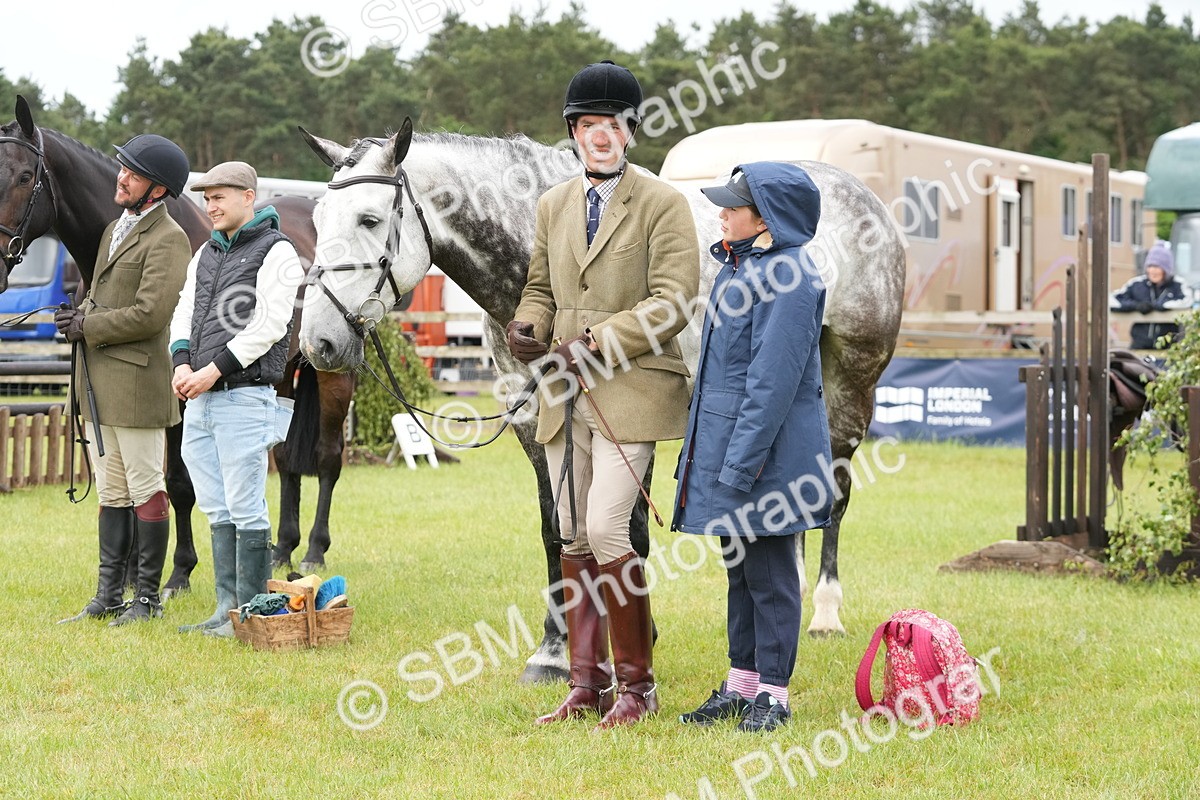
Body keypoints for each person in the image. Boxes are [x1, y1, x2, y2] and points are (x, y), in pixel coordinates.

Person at [505, 60, 699, 729]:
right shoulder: (553, 204)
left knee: (607, 526)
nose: (601, 135)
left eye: (612, 125)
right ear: (574, 132)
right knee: (570, 534)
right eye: (590, 125)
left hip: (632, 390)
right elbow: (540, 288)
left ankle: (637, 687)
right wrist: (524, 327)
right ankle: (585, 685)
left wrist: (593, 343)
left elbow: (673, 302)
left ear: (629, 132)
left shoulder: (663, 204)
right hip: (563, 393)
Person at [672, 162, 834, 733]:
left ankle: (775, 696)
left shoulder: (791, 276)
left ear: (766, 217)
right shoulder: (738, 267)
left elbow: (770, 386)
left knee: (770, 573)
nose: (720, 213)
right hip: (730, 448)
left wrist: (739, 464)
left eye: (731, 205)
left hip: (770, 453)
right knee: (740, 571)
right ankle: (742, 686)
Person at [56, 134, 192, 626]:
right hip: (98, 383)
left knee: (145, 487)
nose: (121, 178)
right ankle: (108, 593)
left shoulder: (169, 239)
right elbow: (100, 295)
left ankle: (148, 599)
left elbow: (151, 315)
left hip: (136, 385)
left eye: (132, 173)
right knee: (112, 491)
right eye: (122, 169)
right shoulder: (115, 227)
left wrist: (88, 326)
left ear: (157, 189)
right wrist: (77, 315)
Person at [169, 161, 302, 638]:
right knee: (215, 505)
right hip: (201, 398)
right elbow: (183, 311)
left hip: (244, 397)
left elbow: (268, 327)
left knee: (246, 506)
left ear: (249, 197)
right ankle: (226, 607)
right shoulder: (205, 252)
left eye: (220, 196)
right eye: (206, 198)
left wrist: (209, 371)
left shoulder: (278, 252)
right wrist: (182, 364)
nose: (211, 205)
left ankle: (247, 610)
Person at [1110, 241, 1190, 350]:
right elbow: (1113, 300)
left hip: (1168, 349)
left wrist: (1159, 306)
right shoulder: (1137, 284)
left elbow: (1187, 300)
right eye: (1150, 266)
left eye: (1158, 267)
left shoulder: (1177, 284)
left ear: (1166, 269)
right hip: (1140, 346)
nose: (1153, 271)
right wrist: (1136, 306)